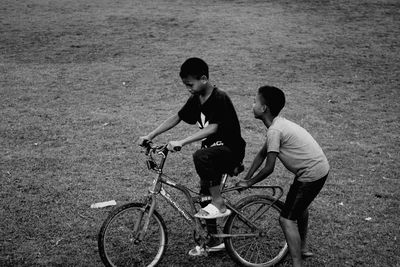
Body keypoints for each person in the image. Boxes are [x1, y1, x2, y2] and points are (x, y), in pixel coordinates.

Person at [138, 57, 246, 254]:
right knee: (204, 196)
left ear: (203, 78)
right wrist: (151, 135)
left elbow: (213, 128)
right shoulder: (196, 98)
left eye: (190, 84)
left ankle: (219, 203)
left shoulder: (219, 97)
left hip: (229, 151)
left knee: (200, 156)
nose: (188, 88)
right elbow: (178, 117)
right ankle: (213, 241)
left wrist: (183, 141)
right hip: (212, 153)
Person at [236, 85, 329, 267]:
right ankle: (302, 248)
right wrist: (247, 178)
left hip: (312, 173)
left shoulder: (275, 130)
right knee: (298, 207)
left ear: (264, 108)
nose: (252, 104)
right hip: (315, 169)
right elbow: (262, 154)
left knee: (286, 218)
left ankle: (297, 262)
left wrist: (249, 183)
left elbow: (269, 168)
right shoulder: (277, 124)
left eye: (255, 101)